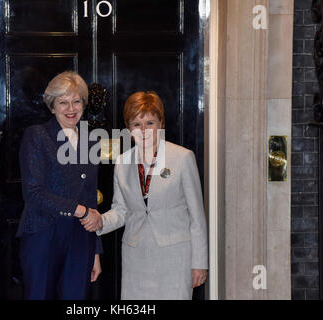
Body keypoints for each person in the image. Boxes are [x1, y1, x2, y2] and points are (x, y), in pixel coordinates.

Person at [82, 91, 208, 300]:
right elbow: (121, 211)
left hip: (175, 257)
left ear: (161, 124)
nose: (143, 131)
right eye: (136, 124)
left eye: (150, 123)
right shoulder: (122, 162)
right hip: (136, 257)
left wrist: (199, 263)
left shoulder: (183, 158)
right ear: (128, 128)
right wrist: (99, 222)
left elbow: (197, 217)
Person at [17, 70, 103, 300]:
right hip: (44, 235)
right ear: (52, 106)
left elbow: (91, 198)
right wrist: (80, 210)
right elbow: (33, 193)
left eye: (76, 101)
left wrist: (95, 250)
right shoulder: (38, 135)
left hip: (81, 238)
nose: (71, 109)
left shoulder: (91, 140)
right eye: (63, 102)